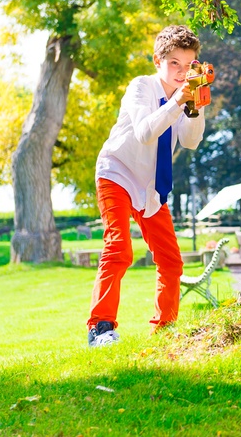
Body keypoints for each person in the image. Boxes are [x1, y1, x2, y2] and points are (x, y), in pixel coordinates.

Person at [87, 25, 208, 347]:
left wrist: (195, 106)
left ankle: (164, 329)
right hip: (118, 172)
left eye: (189, 65)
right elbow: (144, 132)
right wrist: (178, 101)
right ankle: (100, 327)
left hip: (151, 185)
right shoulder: (141, 87)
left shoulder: (185, 94)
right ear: (158, 61)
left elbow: (190, 141)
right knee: (119, 248)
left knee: (171, 261)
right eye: (174, 64)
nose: (182, 73)